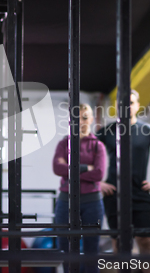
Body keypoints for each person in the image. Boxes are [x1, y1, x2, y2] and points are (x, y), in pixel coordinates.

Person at [96, 89, 150, 264]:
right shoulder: (107, 131)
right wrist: (98, 183)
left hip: (140, 196)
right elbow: (84, 157)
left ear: (137, 105)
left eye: (131, 103)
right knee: (119, 245)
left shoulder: (149, 131)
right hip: (114, 196)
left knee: (145, 243)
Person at [52, 103, 106, 273]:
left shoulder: (98, 146)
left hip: (92, 202)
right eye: (76, 118)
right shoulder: (63, 144)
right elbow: (56, 168)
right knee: (65, 249)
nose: (80, 121)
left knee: (91, 251)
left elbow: (98, 174)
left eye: (84, 117)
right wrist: (85, 168)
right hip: (65, 201)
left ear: (90, 119)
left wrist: (70, 169)